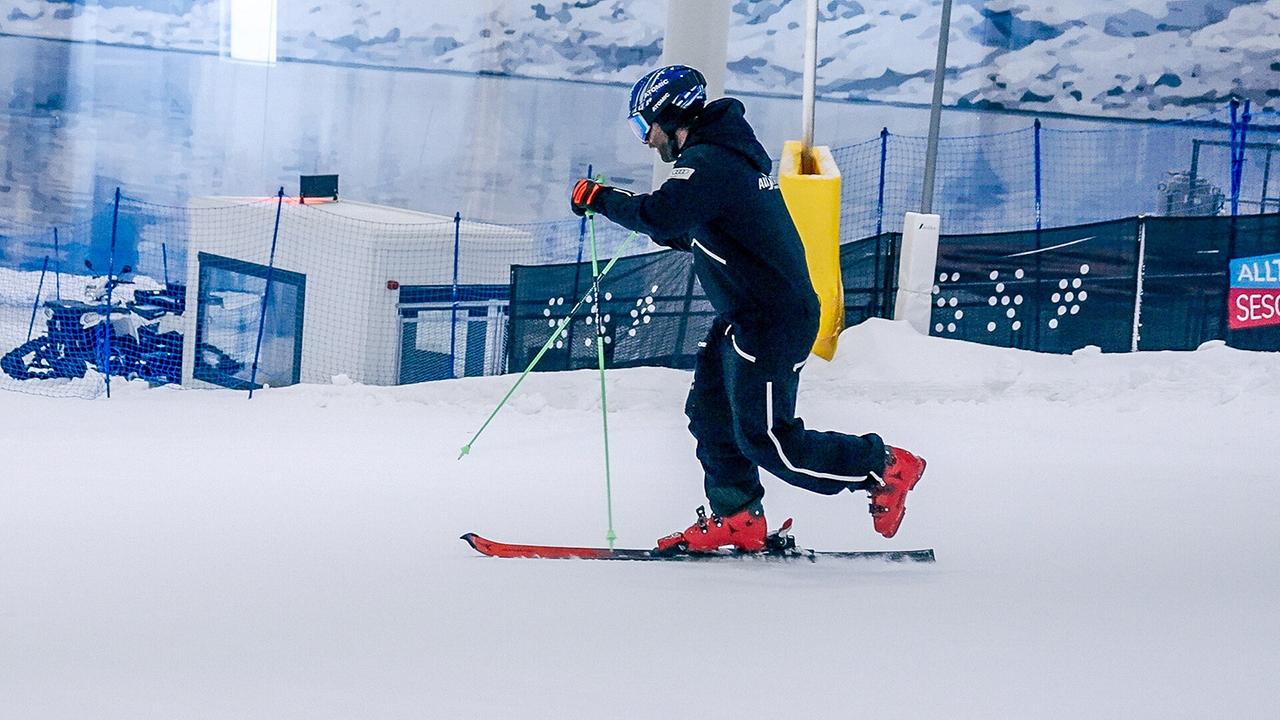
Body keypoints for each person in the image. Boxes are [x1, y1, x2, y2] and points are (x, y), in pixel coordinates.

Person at [570, 65, 926, 552]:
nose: (645, 141)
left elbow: (663, 214)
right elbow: (686, 228)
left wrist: (603, 198)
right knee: (709, 415)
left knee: (769, 441)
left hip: (772, 320)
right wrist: (622, 209)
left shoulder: (711, 162)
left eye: (642, 126)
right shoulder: (721, 159)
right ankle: (738, 517)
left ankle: (884, 466)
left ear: (672, 115)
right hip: (747, 314)